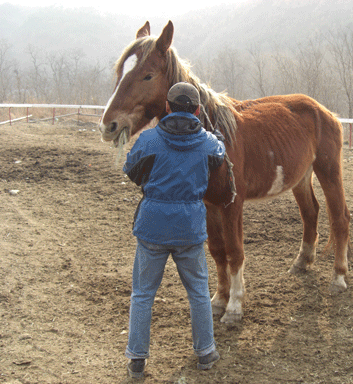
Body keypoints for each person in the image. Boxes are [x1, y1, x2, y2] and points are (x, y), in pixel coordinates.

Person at [122, 82, 225, 378]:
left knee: (143, 294)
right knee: (198, 292)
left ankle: (137, 360)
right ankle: (205, 352)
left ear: (167, 107)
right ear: (196, 110)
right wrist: (216, 137)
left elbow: (131, 170)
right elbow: (219, 156)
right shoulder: (207, 142)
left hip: (152, 227)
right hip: (190, 229)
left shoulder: (149, 139)